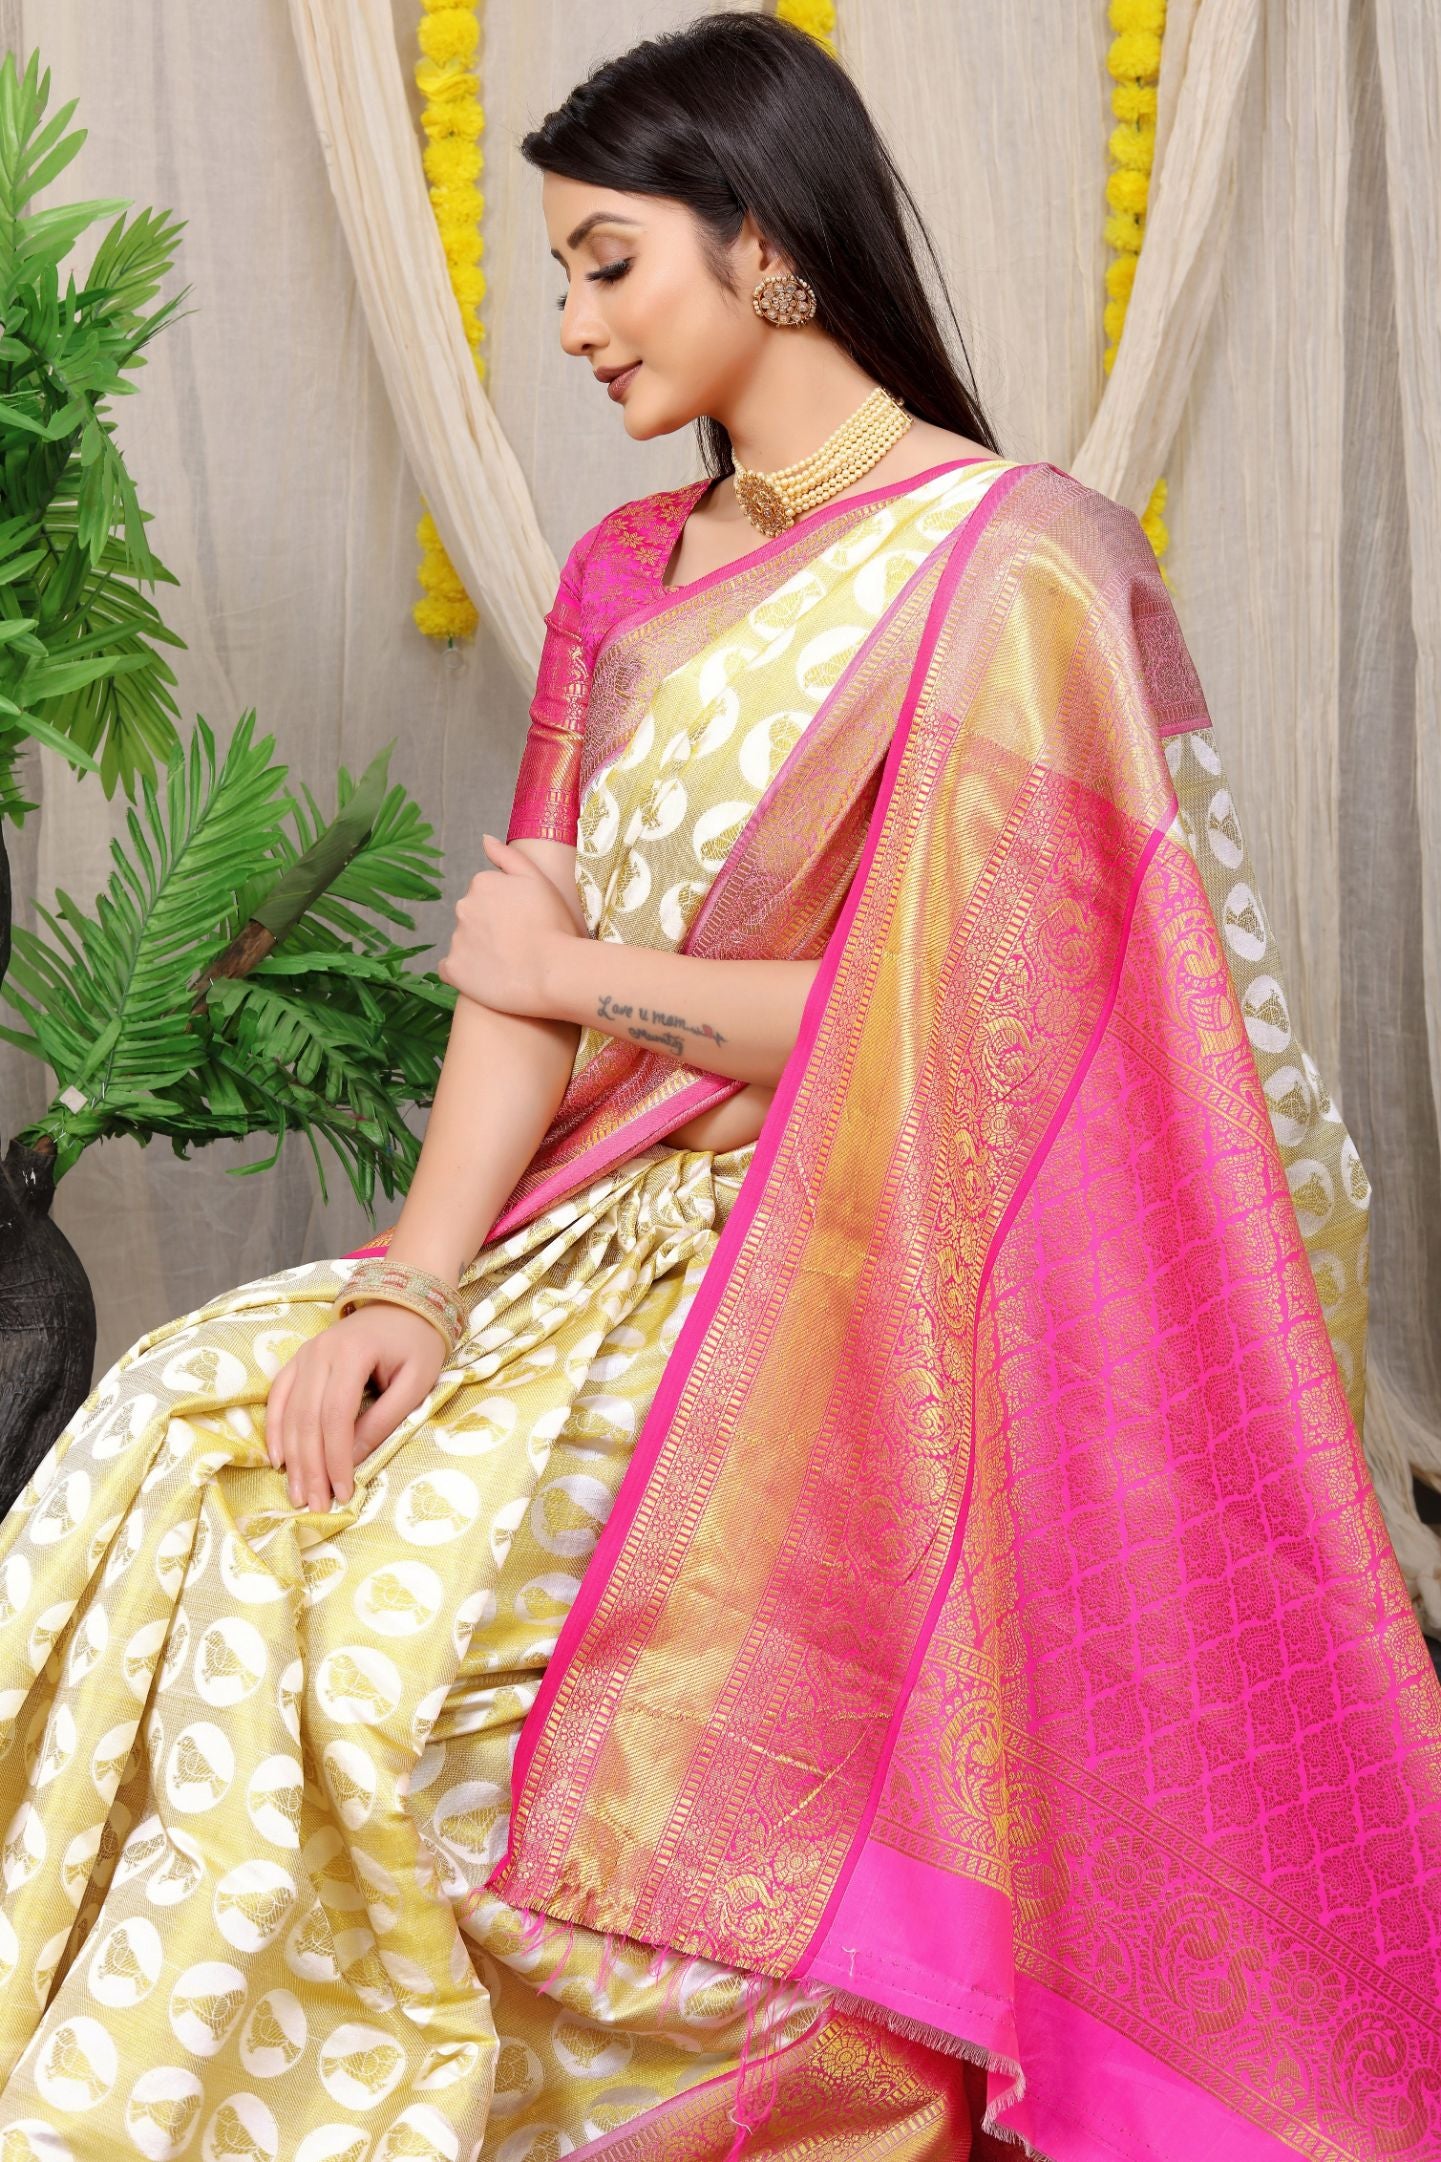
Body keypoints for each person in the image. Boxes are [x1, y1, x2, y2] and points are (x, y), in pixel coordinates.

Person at [0, 13, 1435, 2160]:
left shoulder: (1010, 563)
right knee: (176, 1436)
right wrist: (407, 1280)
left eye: (606, 263)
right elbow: (510, 992)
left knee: (394, 1661)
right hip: (611, 1220)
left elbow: (990, 1022)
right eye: (561, 276)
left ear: (767, 248)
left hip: (882, 1254)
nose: (571, 326)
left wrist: (582, 971)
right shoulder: (620, 578)